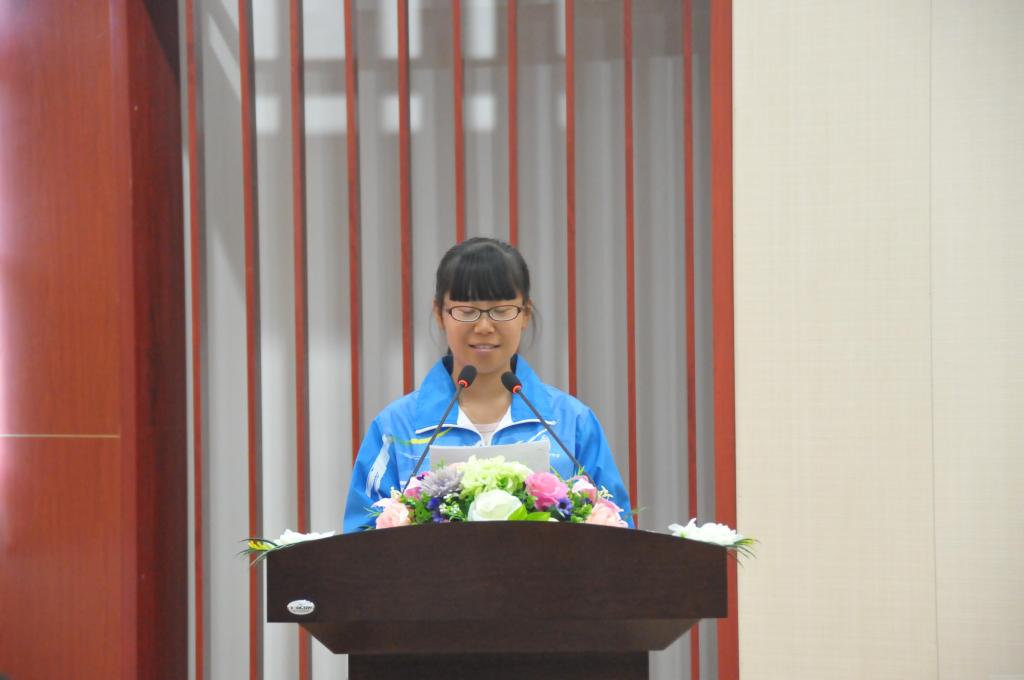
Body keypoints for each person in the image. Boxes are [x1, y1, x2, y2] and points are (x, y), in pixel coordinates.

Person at [343, 237, 633, 532]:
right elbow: (359, 539)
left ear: (525, 314)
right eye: (467, 311)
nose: (484, 327)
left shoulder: (572, 423)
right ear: (440, 314)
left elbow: (615, 527)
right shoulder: (396, 428)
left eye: (501, 310)